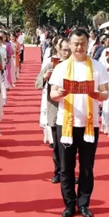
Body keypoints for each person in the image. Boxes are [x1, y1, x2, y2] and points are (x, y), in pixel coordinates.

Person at [49, 29, 109, 217]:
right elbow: (52, 94)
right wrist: (60, 94)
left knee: (86, 166)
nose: (79, 47)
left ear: (88, 44)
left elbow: (105, 93)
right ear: (69, 44)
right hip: (65, 123)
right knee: (66, 167)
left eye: (83, 43)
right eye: (75, 43)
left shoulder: (97, 68)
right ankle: (69, 204)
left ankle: (83, 203)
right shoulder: (61, 67)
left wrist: (96, 95)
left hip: (89, 124)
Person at [36, 38, 71, 183]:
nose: (67, 52)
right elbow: (37, 83)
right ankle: (58, 171)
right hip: (55, 108)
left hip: (72, 109)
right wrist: (45, 77)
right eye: (64, 49)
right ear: (58, 49)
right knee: (57, 144)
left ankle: (68, 172)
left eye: (69, 49)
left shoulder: (77, 66)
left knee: (70, 145)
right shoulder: (51, 64)